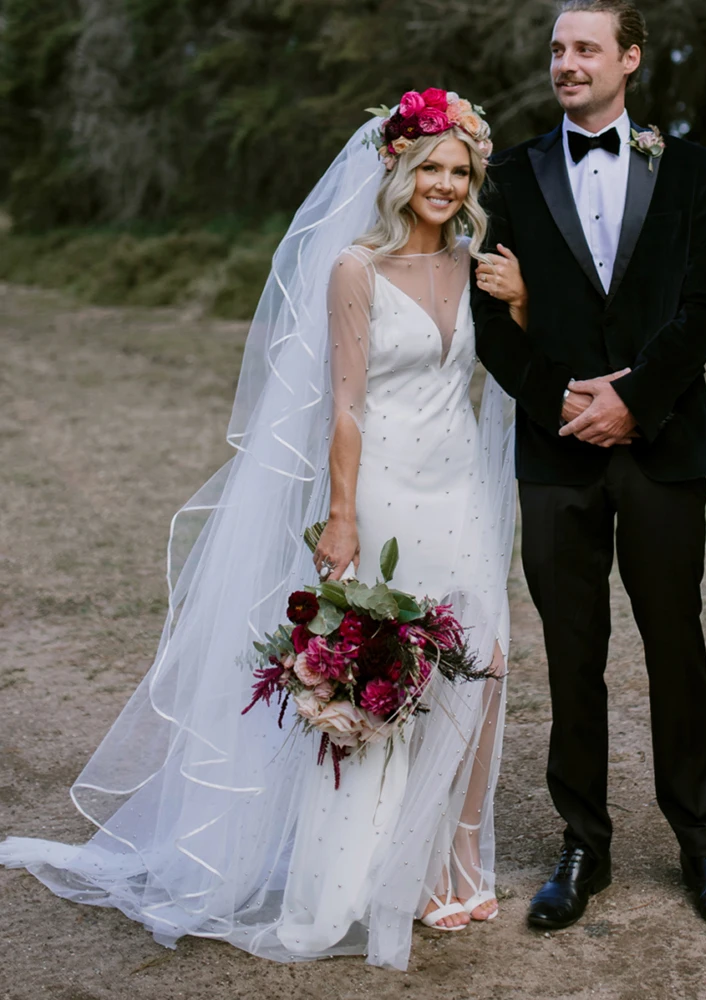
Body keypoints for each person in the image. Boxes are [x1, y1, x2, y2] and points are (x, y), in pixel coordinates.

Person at [0, 88, 517, 971]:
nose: (442, 181)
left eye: (457, 170)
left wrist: (529, 304)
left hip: (460, 483)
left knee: (487, 665)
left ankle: (455, 861)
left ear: (472, 181)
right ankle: (352, 877)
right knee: (386, 674)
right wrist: (345, 514)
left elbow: (512, 367)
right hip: (387, 486)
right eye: (428, 165)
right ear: (397, 169)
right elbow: (346, 403)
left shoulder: (478, 264)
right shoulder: (356, 268)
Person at [472, 0, 706, 931]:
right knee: (571, 649)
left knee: (676, 641)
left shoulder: (689, 165)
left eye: (586, 47)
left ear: (629, 58)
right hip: (554, 455)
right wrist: (561, 400)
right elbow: (487, 319)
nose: (567, 62)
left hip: (664, 442)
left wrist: (635, 400)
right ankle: (582, 844)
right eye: (557, 48)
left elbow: (705, 304)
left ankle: (701, 843)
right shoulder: (507, 173)